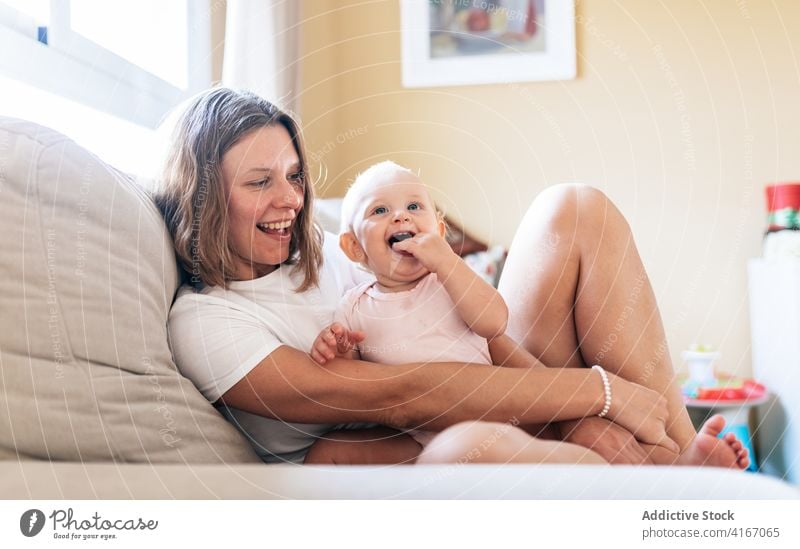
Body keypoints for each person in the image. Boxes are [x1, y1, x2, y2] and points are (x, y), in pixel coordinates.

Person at [155, 87, 745, 469]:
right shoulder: (206, 322)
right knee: (466, 451)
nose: (290, 200)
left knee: (574, 207)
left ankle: (677, 457)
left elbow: (484, 328)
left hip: (490, 377)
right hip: (394, 446)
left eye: (294, 176)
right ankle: (651, 469)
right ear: (202, 196)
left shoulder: (316, 248)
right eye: (260, 183)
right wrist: (599, 393)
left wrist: (550, 387)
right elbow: (403, 394)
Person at [304, 160, 749, 468]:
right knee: (338, 450)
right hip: (427, 436)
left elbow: (493, 322)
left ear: (439, 232)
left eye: (414, 207)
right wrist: (335, 350)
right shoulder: (355, 306)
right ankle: (648, 476)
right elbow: (353, 386)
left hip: (520, 407)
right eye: (381, 211)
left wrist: (449, 263)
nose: (401, 217)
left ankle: (681, 462)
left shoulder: (447, 282)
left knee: (581, 433)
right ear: (353, 247)